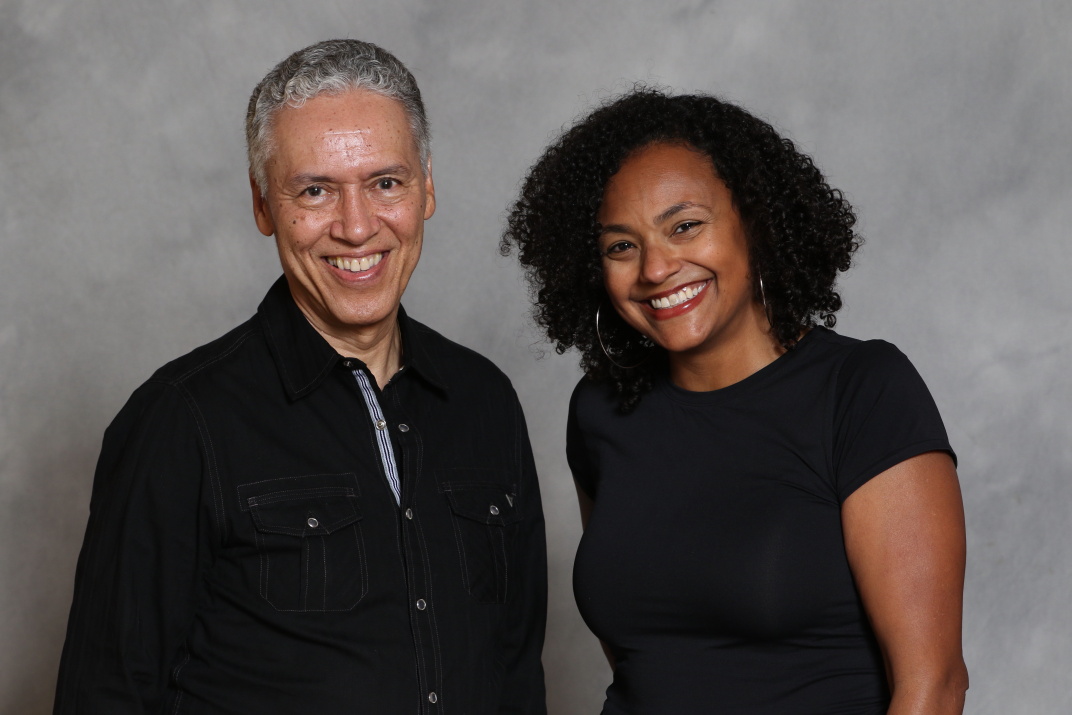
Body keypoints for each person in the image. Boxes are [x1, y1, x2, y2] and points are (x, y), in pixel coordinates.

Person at [54, 39, 546, 714]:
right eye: (315, 190)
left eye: (385, 183)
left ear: (426, 185)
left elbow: (516, 671)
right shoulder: (180, 420)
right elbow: (108, 694)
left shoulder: (484, 400)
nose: (355, 226)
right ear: (263, 205)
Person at [502, 88, 967, 714]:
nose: (656, 268)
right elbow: (648, 655)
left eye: (685, 226)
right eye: (621, 245)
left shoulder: (862, 390)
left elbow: (932, 688)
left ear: (755, 220)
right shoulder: (601, 410)